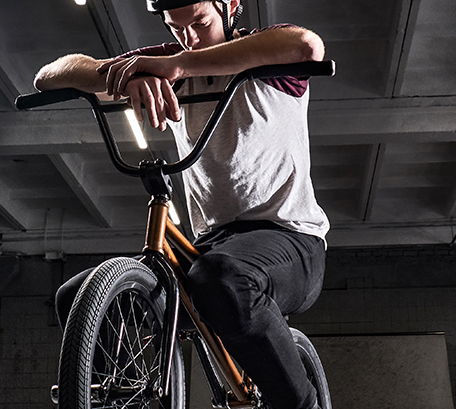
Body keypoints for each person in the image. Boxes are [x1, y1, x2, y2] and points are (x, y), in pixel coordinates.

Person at [36, 1, 328, 408]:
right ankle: (117, 398)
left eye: (200, 22)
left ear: (231, 6)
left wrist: (178, 65)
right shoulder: (163, 64)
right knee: (76, 294)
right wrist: (126, 74)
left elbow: (306, 46)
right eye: (177, 28)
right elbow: (49, 76)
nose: (189, 38)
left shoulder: (264, 56)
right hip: (212, 246)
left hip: (291, 240)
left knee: (221, 279)